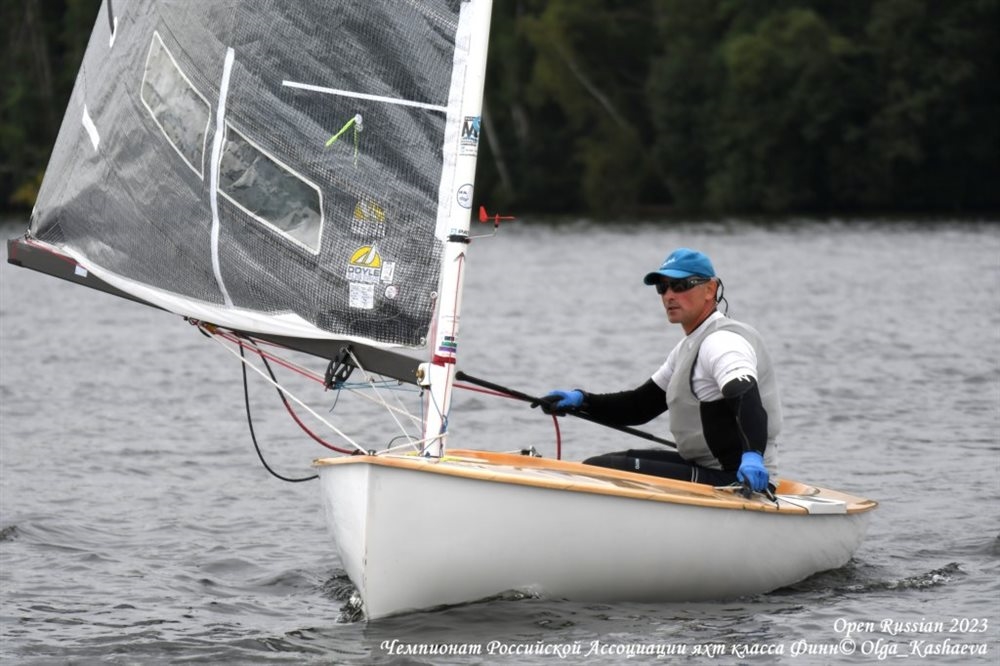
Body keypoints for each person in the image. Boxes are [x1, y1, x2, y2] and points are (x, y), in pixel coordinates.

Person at [534, 248, 782, 492]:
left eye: (680, 285)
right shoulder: (688, 347)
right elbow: (639, 406)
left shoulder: (722, 342)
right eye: (662, 287)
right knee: (600, 464)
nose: (669, 296)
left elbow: (745, 395)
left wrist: (753, 456)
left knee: (601, 469)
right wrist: (582, 400)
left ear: (710, 289)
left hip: (741, 479)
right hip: (710, 468)